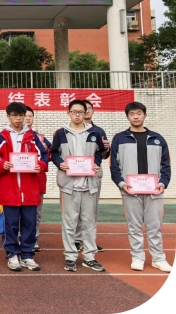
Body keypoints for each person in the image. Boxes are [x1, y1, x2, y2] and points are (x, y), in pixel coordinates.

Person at [110, 101, 172, 273]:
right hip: (130, 190)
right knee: (134, 226)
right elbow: (114, 165)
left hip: (154, 190)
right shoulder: (119, 138)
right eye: (132, 114)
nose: (135, 117)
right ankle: (137, 257)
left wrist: (163, 183)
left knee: (155, 226)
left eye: (139, 113)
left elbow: (166, 164)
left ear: (145, 115)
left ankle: (158, 259)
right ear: (127, 117)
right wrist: (122, 184)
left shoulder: (158, 139)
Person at [0, 102, 48, 272]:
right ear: (8, 116)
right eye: (15, 115)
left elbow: (43, 156)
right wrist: (2, 165)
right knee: (11, 224)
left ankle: (27, 255)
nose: (18, 119)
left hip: (29, 189)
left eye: (21, 115)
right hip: (9, 189)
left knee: (30, 223)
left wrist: (40, 166)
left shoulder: (32, 136)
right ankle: (12, 254)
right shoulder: (2, 137)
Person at [50, 99, 106, 272]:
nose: (77, 115)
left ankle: (89, 257)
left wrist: (96, 163)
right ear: (68, 113)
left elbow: (99, 152)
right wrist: (60, 163)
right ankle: (70, 257)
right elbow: (53, 152)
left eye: (80, 112)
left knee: (90, 222)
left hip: (89, 184)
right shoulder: (61, 133)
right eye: (74, 112)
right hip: (69, 185)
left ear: (85, 113)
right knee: (69, 222)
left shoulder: (94, 132)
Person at [74, 99, 110, 253]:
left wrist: (106, 148)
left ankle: (90, 241)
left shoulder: (99, 131)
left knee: (92, 209)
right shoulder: (71, 130)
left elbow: (104, 155)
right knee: (76, 209)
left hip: (93, 174)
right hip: (75, 174)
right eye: (84, 109)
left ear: (93, 111)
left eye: (89, 108)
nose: (87, 111)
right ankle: (77, 240)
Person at [23, 106, 51, 252]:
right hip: (19, 180)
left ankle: (33, 238)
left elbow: (51, 156)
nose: (28, 118)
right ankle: (19, 237)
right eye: (25, 116)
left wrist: (46, 149)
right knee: (19, 212)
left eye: (30, 116)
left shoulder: (40, 138)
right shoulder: (12, 137)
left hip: (37, 180)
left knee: (36, 213)